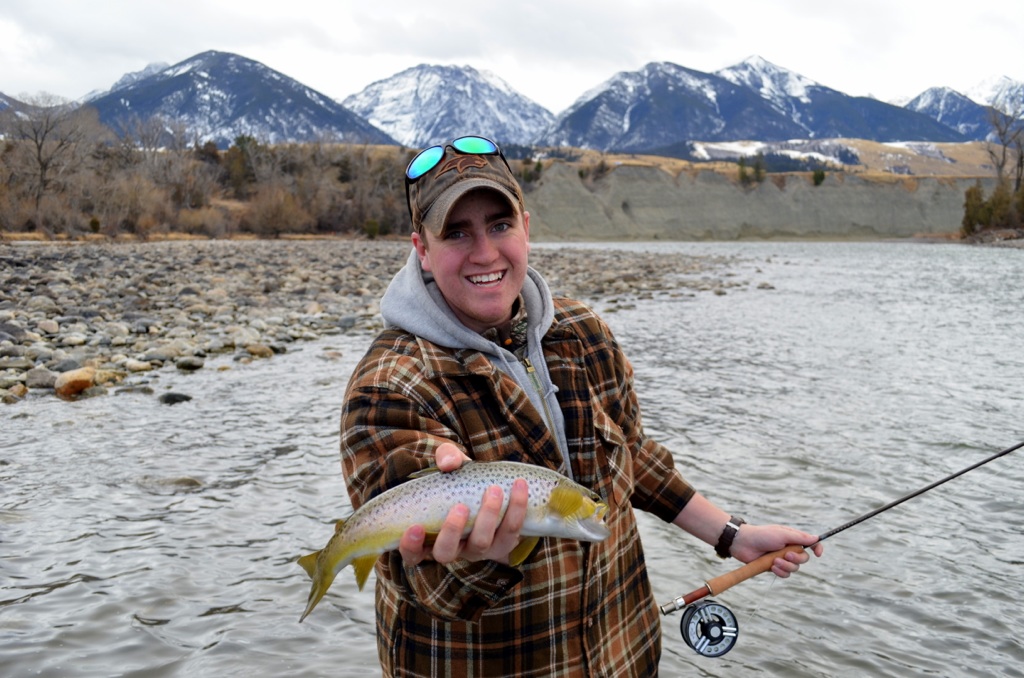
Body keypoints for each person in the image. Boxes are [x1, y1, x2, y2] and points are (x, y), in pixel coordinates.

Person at [338, 135, 823, 677]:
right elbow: (420, 583)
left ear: (527, 226)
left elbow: (633, 457)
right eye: (456, 232)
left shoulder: (582, 333)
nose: (484, 252)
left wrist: (732, 535)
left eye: (499, 225)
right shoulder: (388, 387)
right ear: (421, 248)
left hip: (625, 652)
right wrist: (479, 556)